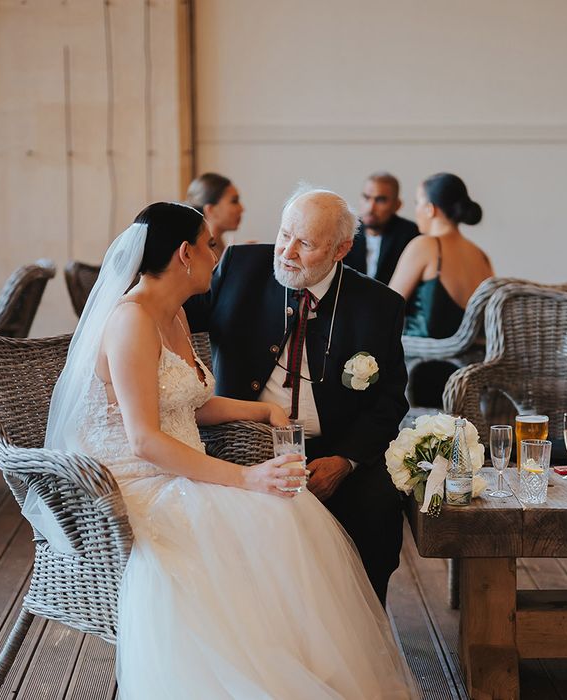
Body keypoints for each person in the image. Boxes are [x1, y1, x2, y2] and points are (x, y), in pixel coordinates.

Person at [45, 202, 416, 698]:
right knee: (278, 520)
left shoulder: (173, 315)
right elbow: (144, 440)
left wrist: (259, 411)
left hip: (189, 467)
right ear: (185, 253)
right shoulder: (132, 320)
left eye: (303, 242)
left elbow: (186, 405)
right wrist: (245, 478)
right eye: (209, 245)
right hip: (137, 482)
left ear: (341, 249)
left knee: (294, 516)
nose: (217, 257)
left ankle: (303, 666)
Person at [186, 187, 409, 604]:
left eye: (305, 243)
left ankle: (364, 622)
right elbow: (173, 308)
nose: (286, 251)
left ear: (341, 249)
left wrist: (345, 461)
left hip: (335, 447)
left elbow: (390, 400)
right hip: (242, 444)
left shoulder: (378, 306)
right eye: (284, 234)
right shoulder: (239, 267)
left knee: (377, 509)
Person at [389, 173, 493, 407]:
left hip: (421, 373)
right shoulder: (480, 255)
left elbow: (386, 307)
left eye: (417, 203)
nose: (415, 211)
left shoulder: (425, 246)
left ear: (430, 209)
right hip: (469, 382)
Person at [344, 171, 419, 284]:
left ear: (397, 205)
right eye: (366, 198)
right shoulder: (345, 231)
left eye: (380, 200)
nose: (370, 208)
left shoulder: (411, 235)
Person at [185, 172, 244, 258]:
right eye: (234, 201)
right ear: (211, 210)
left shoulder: (222, 246)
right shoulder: (199, 255)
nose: (241, 209)